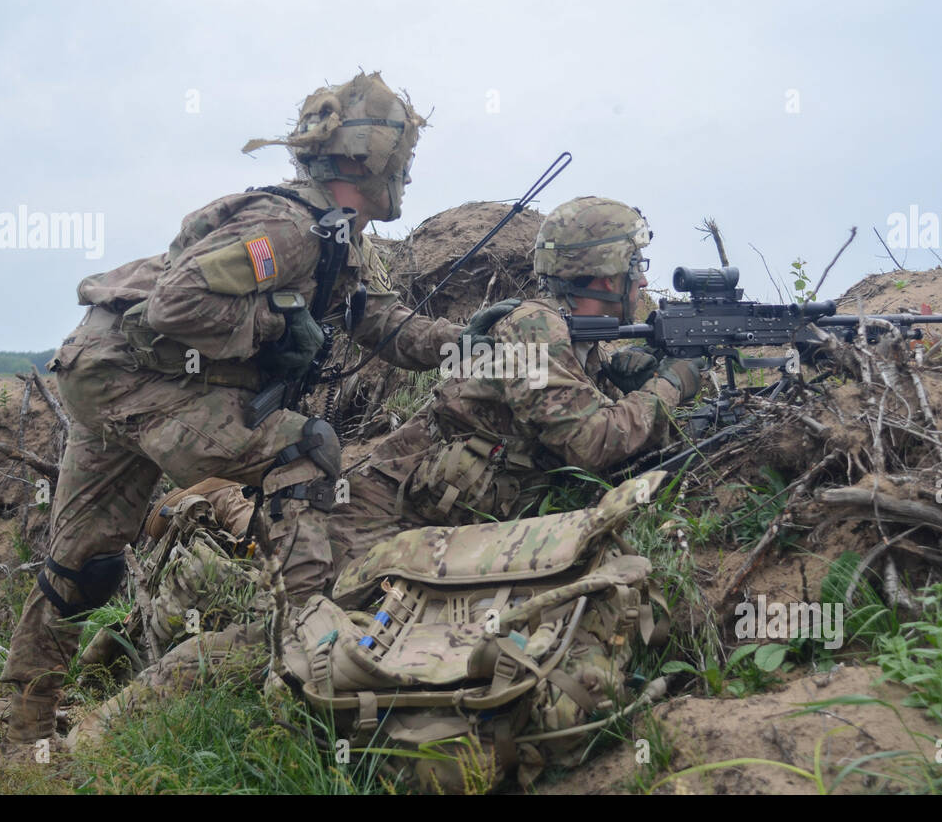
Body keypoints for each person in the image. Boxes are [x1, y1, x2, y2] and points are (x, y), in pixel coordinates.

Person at [1, 72, 511, 743]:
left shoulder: (339, 238)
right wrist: (275, 324)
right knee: (300, 450)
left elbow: (381, 322)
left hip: (107, 372)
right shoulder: (289, 228)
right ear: (369, 162)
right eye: (402, 162)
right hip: (129, 377)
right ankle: (309, 671)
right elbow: (174, 303)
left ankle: (14, 731)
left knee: (83, 567)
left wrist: (462, 342)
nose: (408, 177)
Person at [170, 196, 705, 579]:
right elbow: (592, 442)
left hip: (430, 513)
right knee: (284, 586)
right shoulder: (535, 327)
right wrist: (671, 383)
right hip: (383, 511)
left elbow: (574, 408)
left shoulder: (573, 340)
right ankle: (201, 503)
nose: (641, 279)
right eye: (635, 264)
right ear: (608, 274)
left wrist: (625, 375)